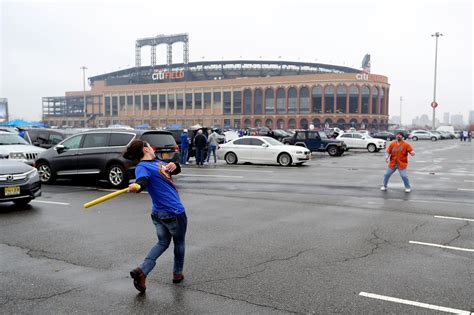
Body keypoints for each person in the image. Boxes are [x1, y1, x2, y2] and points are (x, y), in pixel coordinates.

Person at [123, 140, 187, 294]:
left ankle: (142, 271)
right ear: (146, 149)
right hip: (173, 212)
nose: (152, 147)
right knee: (179, 242)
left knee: (163, 242)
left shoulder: (157, 162)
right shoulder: (142, 167)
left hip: (160, 213)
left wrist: (175, 166)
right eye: (150, 146)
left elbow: (173, 170)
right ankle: (177, 274)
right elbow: (142, 181)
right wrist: (137, 186)